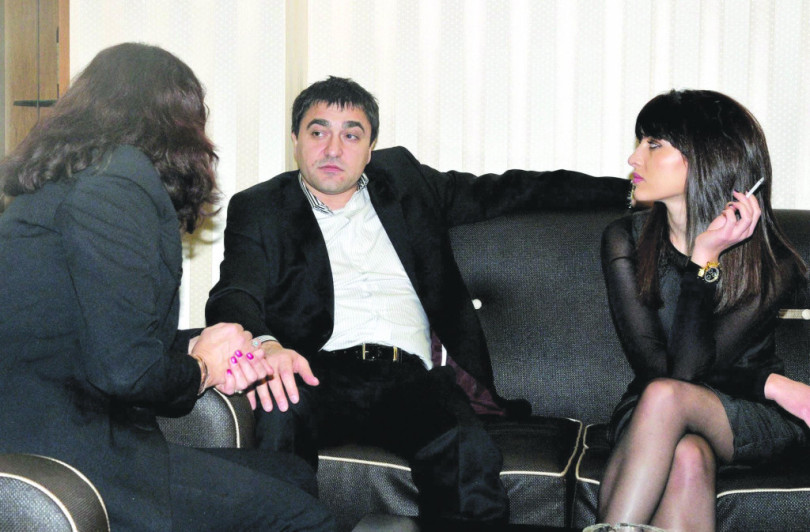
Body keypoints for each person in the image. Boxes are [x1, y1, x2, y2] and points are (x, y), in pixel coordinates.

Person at [205, 75, 633, 523]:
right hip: (317, 372)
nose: (333, 149)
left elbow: (513, 189)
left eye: (351, 135)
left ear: (370, 147)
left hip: (409, 377)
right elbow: (233, 293)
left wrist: (628, 194)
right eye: (318, 132)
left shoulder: (405, 184)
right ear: (295, 139)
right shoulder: (261, 207)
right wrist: (268, 346)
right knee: (277, 411)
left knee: (466, 452)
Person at [0, 43, 334, 531]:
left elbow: (102, 333)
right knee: (305, 517)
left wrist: (197, 347)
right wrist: (203, 369)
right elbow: (124, 369)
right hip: (65, 452)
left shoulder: (77, 181)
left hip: (65, 428)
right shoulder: (116, 185)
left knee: (293, 475)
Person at [598, 89, 810, 531]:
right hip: (653, 410)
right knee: (686, 452)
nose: (634, 158)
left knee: (667, 397)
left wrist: (704, 261)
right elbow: (659, 369)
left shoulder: (772, 263)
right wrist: (771, 383)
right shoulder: (624, 239)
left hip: (744, 415)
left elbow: (688, 375)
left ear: (706, 158)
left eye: (654, 144)